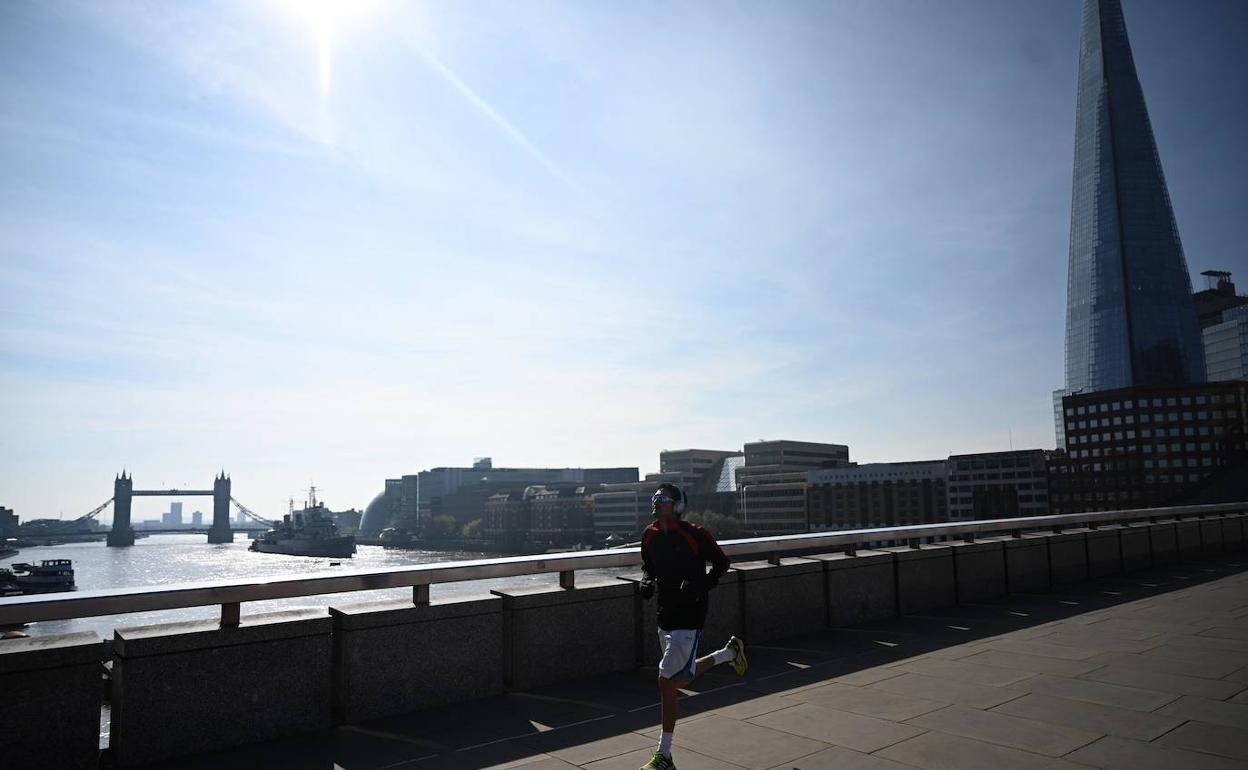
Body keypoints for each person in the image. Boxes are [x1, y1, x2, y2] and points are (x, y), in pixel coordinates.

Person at [638, 482, 747, 770]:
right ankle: (729, 653)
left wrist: (702, 585)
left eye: (663, 498)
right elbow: (648, 565)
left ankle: (665, 755)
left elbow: (722, 563)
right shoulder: (649, 536)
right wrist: (647, 581)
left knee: (665, 681)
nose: (657, 502)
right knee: (679, 678)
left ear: (678, 505)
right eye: (655, 498)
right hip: (665, 614)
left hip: (690, 614)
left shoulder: (696, 535)